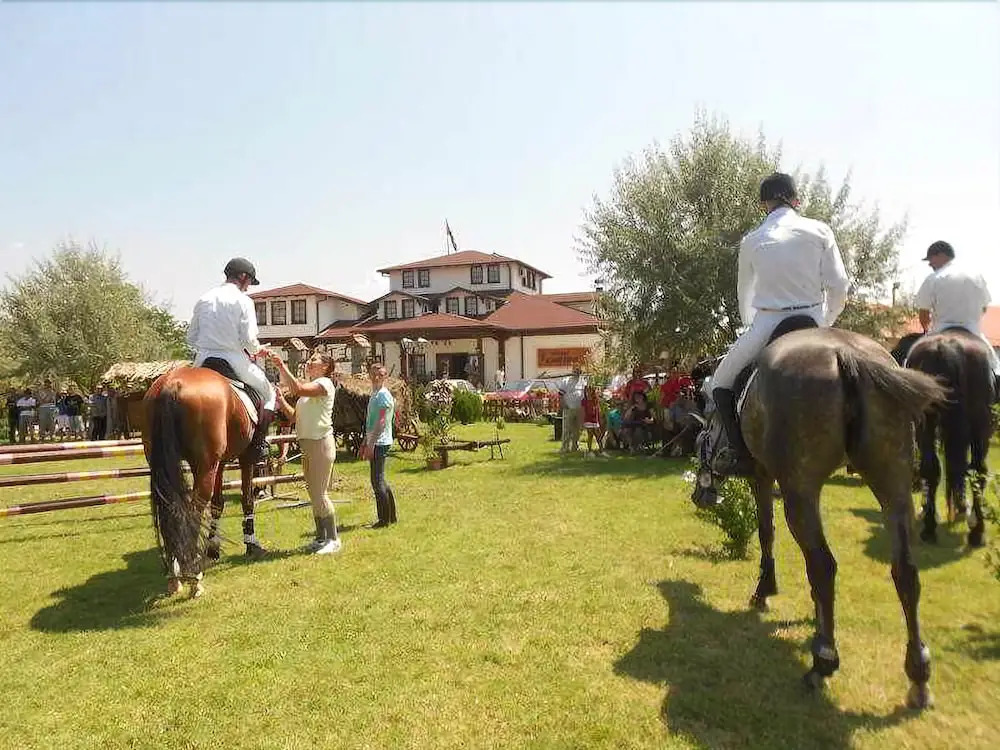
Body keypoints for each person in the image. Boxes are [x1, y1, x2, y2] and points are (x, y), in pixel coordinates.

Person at [710, 172, 850, 476]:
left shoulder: (751, 241)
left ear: (764, 204)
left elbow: (745, 296)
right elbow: (839, 286)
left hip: (767, 321)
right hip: (814, 318)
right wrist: (825, 321)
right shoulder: (820, 230)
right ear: (796, 200)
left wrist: (751, 328)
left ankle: (740, 455)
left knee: (719, 382)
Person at [186, 257, 276, 461]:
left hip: (203, 359)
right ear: (243, 277)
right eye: (249, 282)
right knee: (269, 393)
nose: (248, 287)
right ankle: (259, 444)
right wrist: (258, 350)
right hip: (233, 359)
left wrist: (209, 343)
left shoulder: (204, 299)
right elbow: (248, 340)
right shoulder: (244, 301)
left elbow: (190, 337)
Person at [269, 351, 342, 555]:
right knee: (313, 493)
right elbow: (294, 418)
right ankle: (320, 538)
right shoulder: (308, 394)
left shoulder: (325, 384)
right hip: (308, 445)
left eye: (314, 360)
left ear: (325, 366)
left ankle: (333, 539)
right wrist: (281, 399)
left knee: (320, 494)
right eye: (309, 360)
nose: (309, 363)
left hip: (320, 444)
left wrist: (281, 366)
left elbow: (298, 388)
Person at [912, 240, 1000, 398]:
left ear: (941, 255)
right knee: (994, 367)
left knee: (910, 362)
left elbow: (924, 314)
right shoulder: (976, 276)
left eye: (931, 259)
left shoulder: (933, 278)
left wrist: (926, 331)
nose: (930, 264)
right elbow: (984, 309)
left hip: (939, 330)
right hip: (972, 331)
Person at [363, 363, 397, 528]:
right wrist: (366, 440)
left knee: (377, 482)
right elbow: (371, 421)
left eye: (380, 374)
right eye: (374, 374)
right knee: (380, 480)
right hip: (376, 440)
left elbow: (381, 422)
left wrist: (371, 444)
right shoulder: (375, 394)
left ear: (385, 377)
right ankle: (391, 516)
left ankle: (383, 520)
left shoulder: (383, 395)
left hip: (380, 441)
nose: (376, 377)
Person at [558, 365, 586, 454]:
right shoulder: (566, 381)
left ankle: (575, 446)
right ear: (572, 371)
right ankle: (564, 447)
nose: (577, 372)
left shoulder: (583, 381)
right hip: (568, 408)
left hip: (580, 409)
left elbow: (585, 395)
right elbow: (560, 395)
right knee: (567, 429)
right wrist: (563, 404)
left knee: (578, 429)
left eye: (579, 371)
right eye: (576, 370)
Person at [580, 384, 605, 457]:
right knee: (590, 435)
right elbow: (583, 411)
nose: (588, 393)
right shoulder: (584, 401)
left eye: (589, 391)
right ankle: (590, 451)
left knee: (598, 436)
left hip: (595, 420)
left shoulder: (595, 400)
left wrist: (600, 419)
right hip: (588, 420)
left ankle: (601, 451)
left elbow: (598, 411)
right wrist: (582, 422)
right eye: (587, 391)